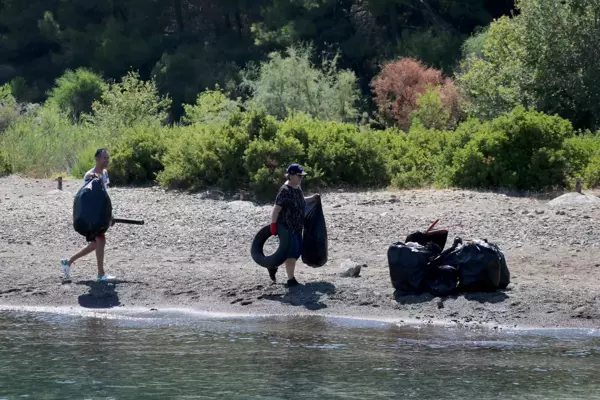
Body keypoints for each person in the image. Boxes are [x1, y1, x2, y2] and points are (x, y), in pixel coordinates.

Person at [60, 148, 115, 282]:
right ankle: (101, 274)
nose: (107, 161)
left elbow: (104, 196)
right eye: (104, 158)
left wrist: (109, 215)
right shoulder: (89, 175)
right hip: (92, 216)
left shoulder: (105, 174)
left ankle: (68, 262)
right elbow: (86, 197)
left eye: (108, 158)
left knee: (96, 244)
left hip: (101, 214)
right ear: (97, 159)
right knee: (100, 241)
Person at [269, 163, 319, 287]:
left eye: (301, 176)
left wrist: (313, 198)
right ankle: (291, 280)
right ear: (290, 176)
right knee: (291, 253)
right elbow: (276, 209)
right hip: (286, 227)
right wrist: (273, 225)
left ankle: (272, 265)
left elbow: (301, 201)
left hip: (297, 227)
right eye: (299, 176)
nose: (301, 178)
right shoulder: (284, 190)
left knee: (295, 252)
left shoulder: (297, 188)